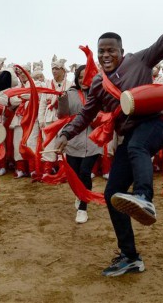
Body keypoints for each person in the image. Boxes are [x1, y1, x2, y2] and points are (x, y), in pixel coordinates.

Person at [57, 0, 163, 276]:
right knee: (111, 194)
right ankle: (130, 256)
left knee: (136, 147)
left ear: (121, 51)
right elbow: (86, 113)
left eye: (111, 50)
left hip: (154, 126)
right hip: (129, 137)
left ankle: (145, 197)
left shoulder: (140, 60)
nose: (106, 55)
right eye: (101, 51)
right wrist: (65, 134)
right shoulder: (96, 84)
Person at [58, 65, 102, 224]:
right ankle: (79, 194)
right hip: (73, 139)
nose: (84, 80)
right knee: (75, 175)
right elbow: (62, 115)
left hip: (93, 139)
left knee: (85, 172)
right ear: (76, 78)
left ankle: (83, 207)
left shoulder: (98, 94)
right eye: (80, 77)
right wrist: (61, 101)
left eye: (87, 76)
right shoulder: (70, 93)